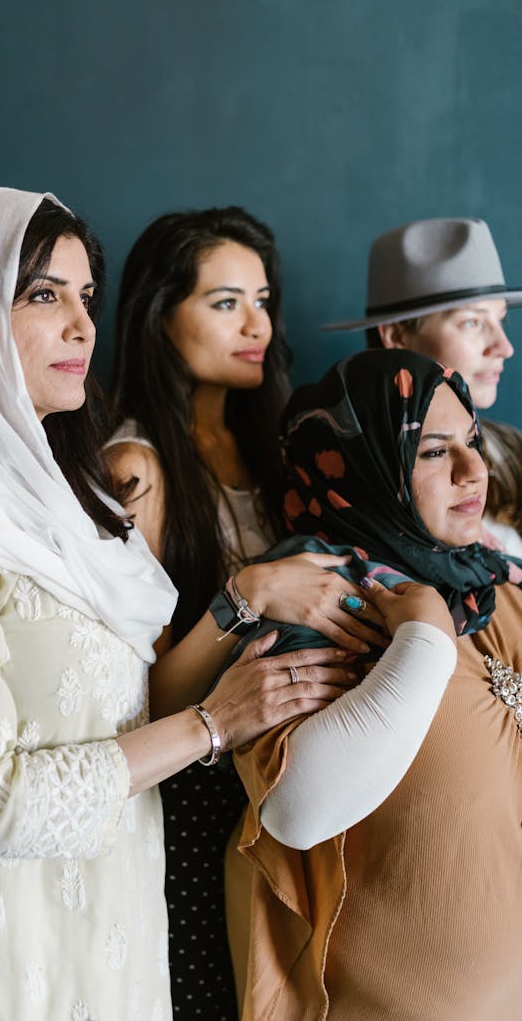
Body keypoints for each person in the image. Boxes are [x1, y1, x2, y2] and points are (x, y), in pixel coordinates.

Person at [0, 188, 359, 1021]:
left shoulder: (63, 510)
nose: (81, 326)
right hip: (6, 962)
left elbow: (116, 707)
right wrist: (212, 726)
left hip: (114, 936)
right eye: (44, 294)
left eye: (85, 298)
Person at [106, 207, 386, 1019]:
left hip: (305, 781)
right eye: (226, 303)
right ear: (161, 317)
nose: (257, 325)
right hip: (199, 804)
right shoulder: (137, 468)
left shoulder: (279, 447)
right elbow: (141, 702)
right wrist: (248, 597)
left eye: (263, 300)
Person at [224, 348, 522, 1020]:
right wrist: (422, 641)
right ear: (366, 473)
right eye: (434, 452)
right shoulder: (323, 606)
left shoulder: (493, 586)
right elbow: (297, 811)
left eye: (472, 442)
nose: (476, 470)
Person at [325, 216, 522, 553]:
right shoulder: (341, 472)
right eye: (472, 322)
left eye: (500, 320)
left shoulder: (511, 449)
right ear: (397, 336)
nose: (504, 347)